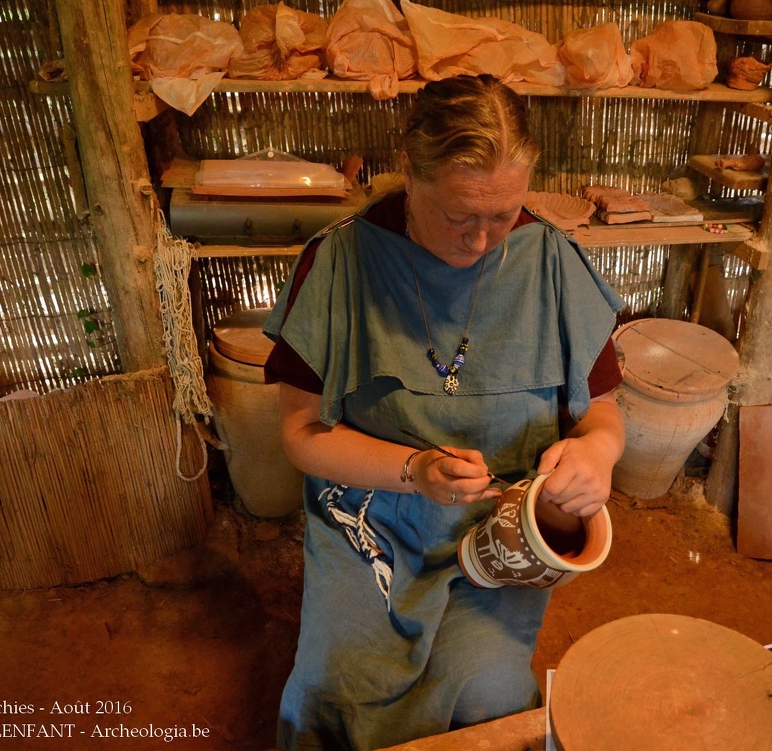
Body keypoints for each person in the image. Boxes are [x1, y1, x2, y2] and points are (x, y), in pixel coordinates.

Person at [263, 74, 626, 750]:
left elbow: (601, 415)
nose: (484, 240)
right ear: (409, 172)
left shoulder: (552, 262)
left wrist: (596, 454)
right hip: (370, 517)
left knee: (488, 693)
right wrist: (414, 470)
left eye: (505, 214)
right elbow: (300, 432)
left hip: (499, 528)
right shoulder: (340, 261)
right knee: (335, 684)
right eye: (461, 216)